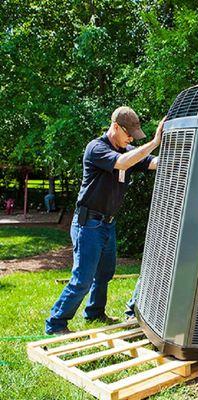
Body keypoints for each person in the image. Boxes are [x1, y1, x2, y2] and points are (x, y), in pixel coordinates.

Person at [45, 107, 166, 335]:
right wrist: (153, 142)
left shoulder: (128, 150)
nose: (131, 138)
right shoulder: (97, 148)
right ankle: (56, 323)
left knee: (104, 273)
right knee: (82, 278)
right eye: (129, 134)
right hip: (88, 223)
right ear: (116, 127)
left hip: (107, 224)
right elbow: (121, 162)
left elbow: (153, 162)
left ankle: (94, 312)